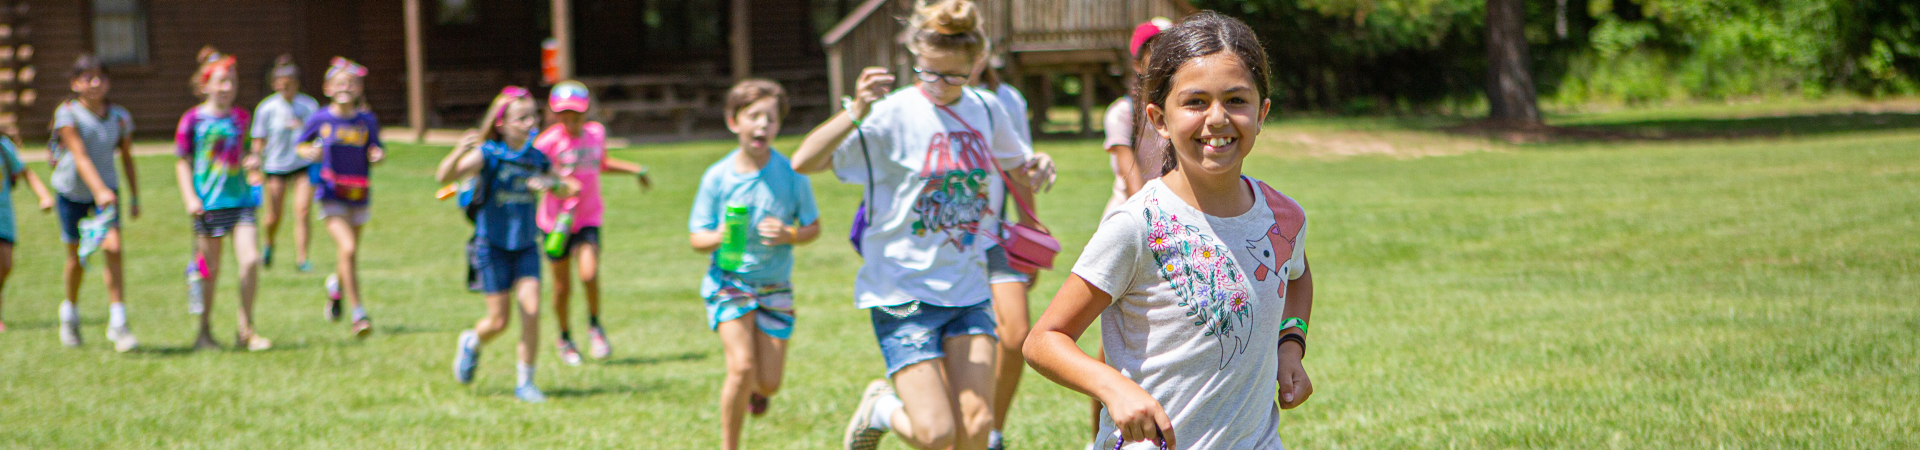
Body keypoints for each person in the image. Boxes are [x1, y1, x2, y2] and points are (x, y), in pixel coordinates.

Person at [1025, 12, 1316, 450]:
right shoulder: (1136, 225)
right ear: (1159, 119)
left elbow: (1297, 275)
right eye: (1195, 102)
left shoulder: (1283, 217)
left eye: (1236, 100)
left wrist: (1290, 344)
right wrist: (1113, 387)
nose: (1217, 118)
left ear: (1262, 113)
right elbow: (1044, 340)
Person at [791, 1, 1046, 448]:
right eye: (929, 72)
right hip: (900, 291)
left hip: (967, 287)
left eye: (953, 75)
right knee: (937, 434)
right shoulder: (891, 113)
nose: (940, 85)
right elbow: (805, 160)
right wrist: (856, 110)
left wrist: (1038, 166)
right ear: (914, 58)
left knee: (977, 424)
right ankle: (882, 408)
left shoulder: (987, 109)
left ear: (976, 63)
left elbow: (1018, 165)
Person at [690, 79, 821, 450]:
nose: (762, 125)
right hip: (729, 281)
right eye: (754, 117)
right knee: (741, 367)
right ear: (734, 121)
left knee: (769, 382)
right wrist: (721, 235)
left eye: (771, 119)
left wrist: (789, 234)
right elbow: (696, 238)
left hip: (775, 286)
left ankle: (756, 392)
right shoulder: (717, 177)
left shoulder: (793, 173)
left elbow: (813, 227)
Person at [445, 86, 571, 403]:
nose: (530, 123)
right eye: (522, 118)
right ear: (501, 123)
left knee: (531, 311)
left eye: (533, 116)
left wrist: (551, 183)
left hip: (526, 246)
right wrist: (458, 150)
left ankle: (525, 383)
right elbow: (443, 175)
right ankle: (472, 341)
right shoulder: (488, 154)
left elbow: (569, 187)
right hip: (491, 246)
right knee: (499, 321)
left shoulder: (536, 158)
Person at [970, 49, 1060, 450]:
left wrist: (1029, 234)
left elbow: (1017, 165)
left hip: (991, 235)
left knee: (1016, 334)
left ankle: (992, 431)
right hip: (938, 245)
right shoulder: (914, 102)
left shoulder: (1003, 100)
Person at [535, 80, 652, 365]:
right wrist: (559, 184)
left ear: (586, 112)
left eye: (576, 114)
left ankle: (595, 326)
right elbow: (535, 178)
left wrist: (635, 170)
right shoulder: (547, 143)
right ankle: (564, 338)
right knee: (562, 287)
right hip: (555, 223)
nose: (570, 120)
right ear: (555, 114)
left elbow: (602, 164)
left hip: (587, 218)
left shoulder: (595, 134)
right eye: (564, 115)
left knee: (588, 274)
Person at [173, 48, 270, 351]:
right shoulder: (192, 120)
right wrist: (190, 197)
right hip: (209, 205)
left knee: (251, 260)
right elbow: (182, 162)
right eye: (221, 82)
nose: (227, 87)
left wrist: (253, 163)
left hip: (240, 201)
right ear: (205, 86)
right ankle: (204, 333)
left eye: (231, 81)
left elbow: (246, 155)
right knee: (208, 272)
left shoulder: (242, 117)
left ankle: (246, 330)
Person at [51, 54, 140, 352]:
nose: (95, 82)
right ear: (75, 84)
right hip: (72, 193)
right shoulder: (67, 115)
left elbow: (126, 157)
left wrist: (135, 195)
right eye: (87, 77)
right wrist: (99, 189)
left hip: (106, 193)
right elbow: (79, 155)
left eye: (100, 76)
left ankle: (118, 323)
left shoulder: (120, 118)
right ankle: (70, 313)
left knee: (113, 248)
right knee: (77, 258)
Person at [297, 57, 383, 338]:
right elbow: (301, 144)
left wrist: (377, 155)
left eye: (351, 83)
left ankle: (336, 286)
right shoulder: (320, 118)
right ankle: (359, 314)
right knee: (347, 249)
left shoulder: (367, 120)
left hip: (359, 193)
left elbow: (375, 148)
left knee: (349, 254)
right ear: (327, 88)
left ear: (359, 88)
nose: (345, 87)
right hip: (331, 194)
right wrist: (307, 152)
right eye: (339, 83)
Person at [253, 54, 322, 272]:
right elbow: (258, 140)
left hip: (302, 165)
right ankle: (269, 243)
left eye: (289, 84)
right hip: (275, 167)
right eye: (281, 85)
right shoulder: (266, 109)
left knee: (302, 211)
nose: (286, 88)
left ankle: (302, 259)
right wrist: (256, 162)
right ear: (274, 85)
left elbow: (320, 135)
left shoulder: (309, 106)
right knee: (273, 216)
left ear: (296, 83)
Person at [1101, 17, 1168, 219]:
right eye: (1157, 51)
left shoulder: (1184, 110)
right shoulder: (1123, 113)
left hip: (1175, 207)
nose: (1167, 59)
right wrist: (1148, 217)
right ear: (1138, 64)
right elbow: (1130, 173)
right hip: (1132, 210)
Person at [0, 127, 55, 333]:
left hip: (3, 217)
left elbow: (26, 173)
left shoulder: (4, 147)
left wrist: (43, 196)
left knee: (5, 265)